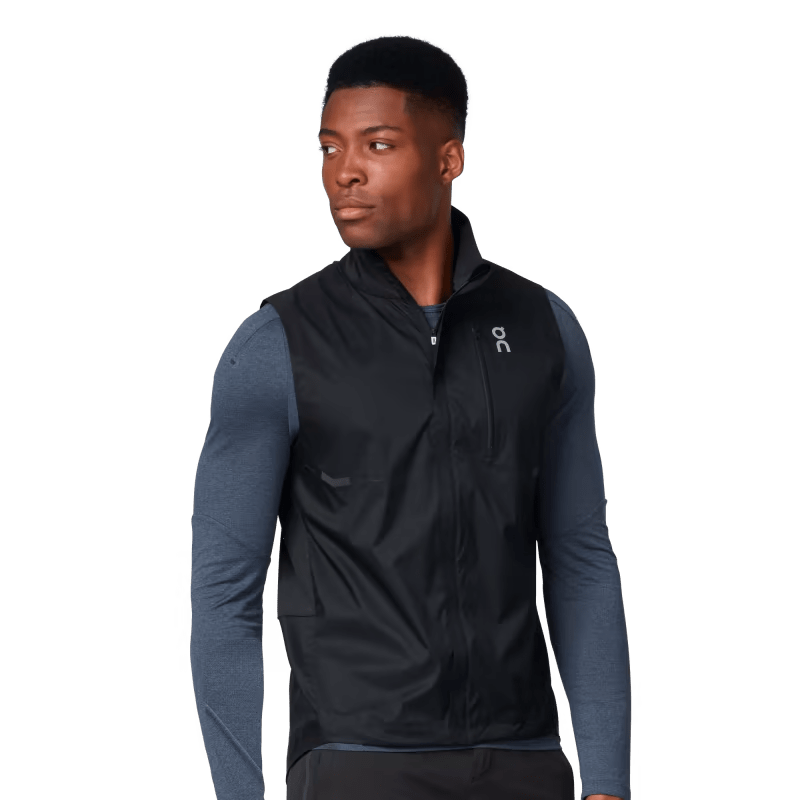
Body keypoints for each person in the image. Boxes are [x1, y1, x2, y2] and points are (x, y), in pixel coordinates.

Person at [189, 33, 631, 800]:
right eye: (329, 148)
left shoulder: (542, 329)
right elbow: (224, 597)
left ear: (448, 160)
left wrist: (606, 781)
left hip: (523, 759)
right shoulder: (278, 345)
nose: (344, 172)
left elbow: (580, 557)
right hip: (357, 761)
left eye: (378, 144)